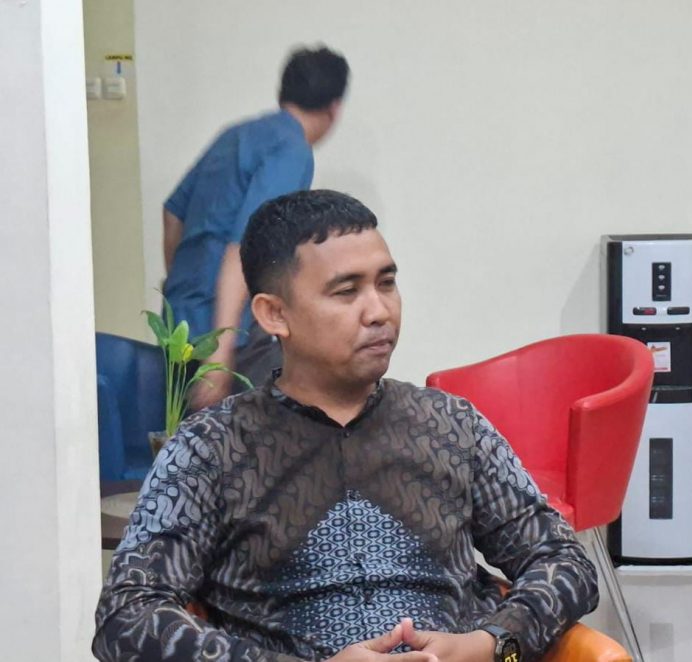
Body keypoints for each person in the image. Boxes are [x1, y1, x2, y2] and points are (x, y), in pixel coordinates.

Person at [94, 190, 599, 662]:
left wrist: (492, 644)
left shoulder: (452, 426)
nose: (379, 311)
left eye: (386, 283)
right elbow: (127, 615)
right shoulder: (211, 448)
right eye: (346, 291)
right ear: (274, 314)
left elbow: (564, 562)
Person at [162, 46, 349, 409]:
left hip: (182, 319)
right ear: (334, 107)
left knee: (189, 437)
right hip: (231, 332)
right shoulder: (291, 150)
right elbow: (246, 244)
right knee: (293, 418)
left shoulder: (236, 135)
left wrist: (185, 286)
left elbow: (172, 214)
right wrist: (220, 351)